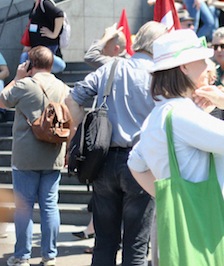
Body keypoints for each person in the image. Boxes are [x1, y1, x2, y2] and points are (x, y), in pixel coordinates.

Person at [127, 29, 224, 265]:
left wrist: (165, 196)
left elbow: (134, 163)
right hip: (208, 226)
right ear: (184, 67)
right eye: (201, 60)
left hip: (182, 226)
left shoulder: (158, 115)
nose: (208, 66)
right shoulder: (183, 114)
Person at [66, 21, 167, 266]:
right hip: (142, 163)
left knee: (105, 242)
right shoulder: (160, 76)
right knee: (136, 246)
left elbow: (72, 100)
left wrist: (82, 129)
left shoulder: (111, 68)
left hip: (104, 161)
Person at [0, 46, 70, 266]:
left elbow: (1, 101)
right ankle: (49, 256)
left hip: (25, 156)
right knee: (50, 205)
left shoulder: (24, 84)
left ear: (30, 64)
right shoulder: (63, 87)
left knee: (23, 207)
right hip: (53, 155)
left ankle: (22, 257)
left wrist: (18, 77)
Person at [20, 0, 66, 73]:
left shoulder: (45, 2)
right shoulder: (36, 4)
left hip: (47, 52)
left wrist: (54, 34)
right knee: (25, 58)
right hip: (37, 51)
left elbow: (59, 14)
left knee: (26, 59)